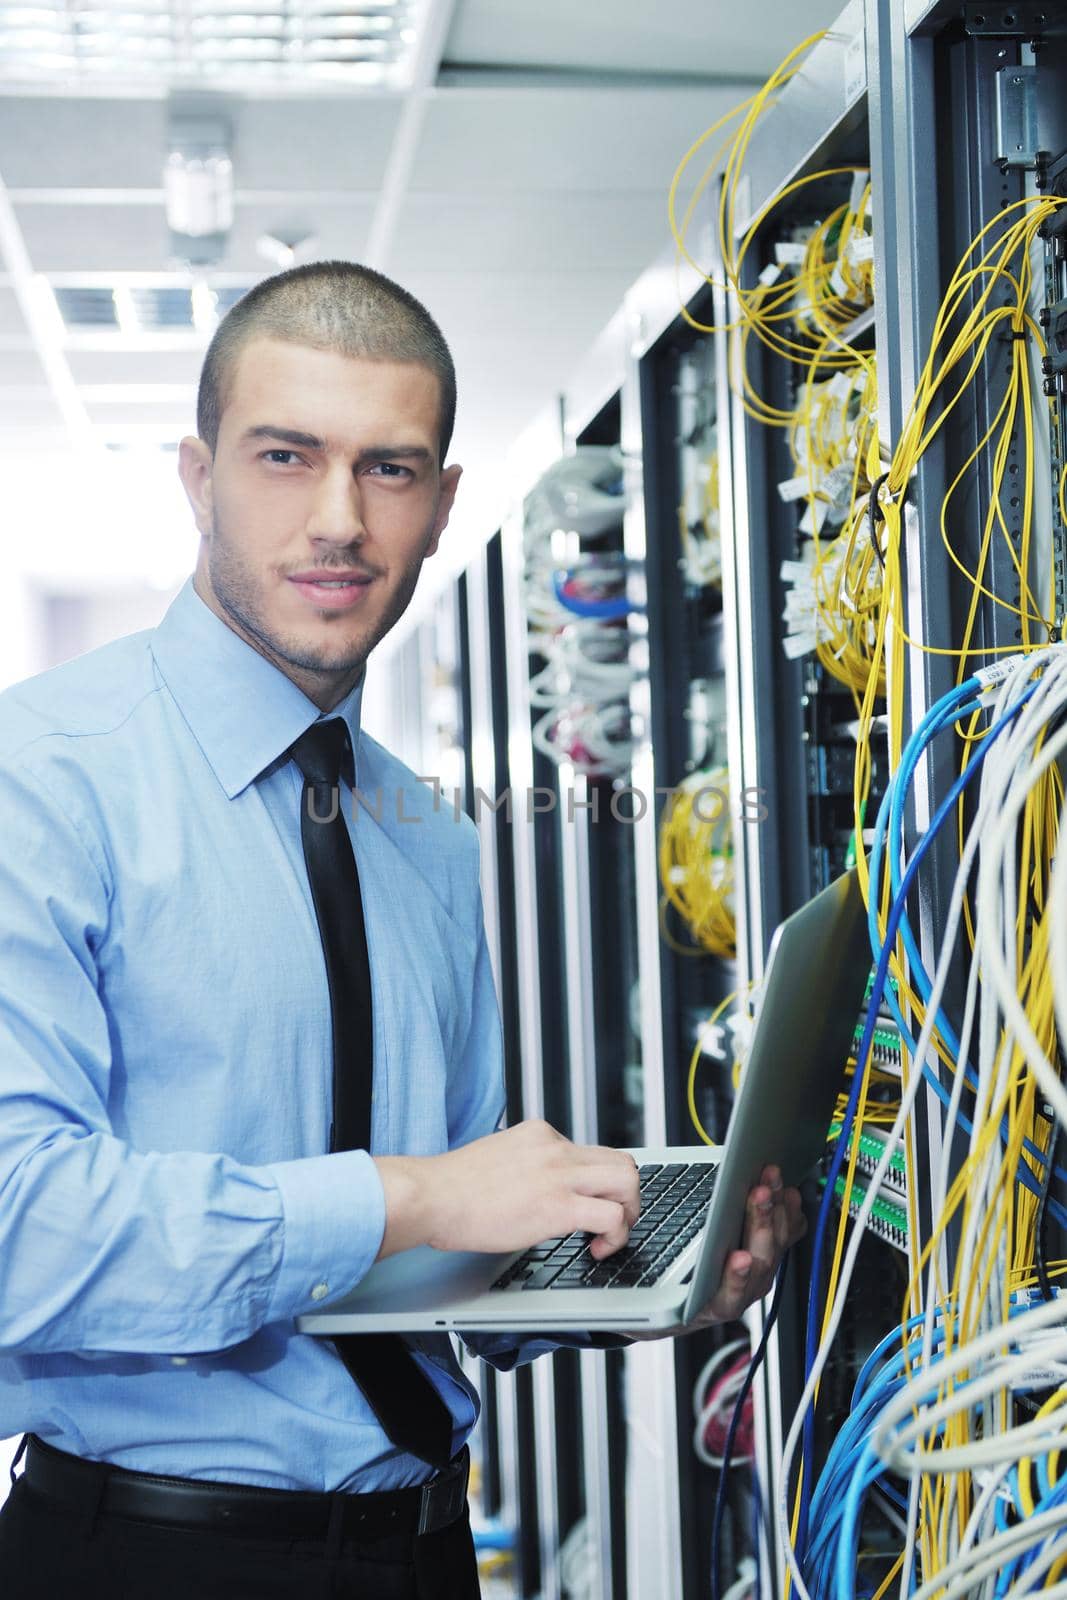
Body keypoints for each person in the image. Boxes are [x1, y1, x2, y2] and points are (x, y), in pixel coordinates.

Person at [0, 261, 804, 1598]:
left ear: (441, 508)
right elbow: (23, 1234)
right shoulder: (42, 778)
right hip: (145, 1556)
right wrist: (419, 1191)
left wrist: (644, 1273)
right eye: (285, 456)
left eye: (389, 469)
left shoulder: (422, 834)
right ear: (199, 480)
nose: (338, 519)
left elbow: (450, 1267)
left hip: (421, 1554)